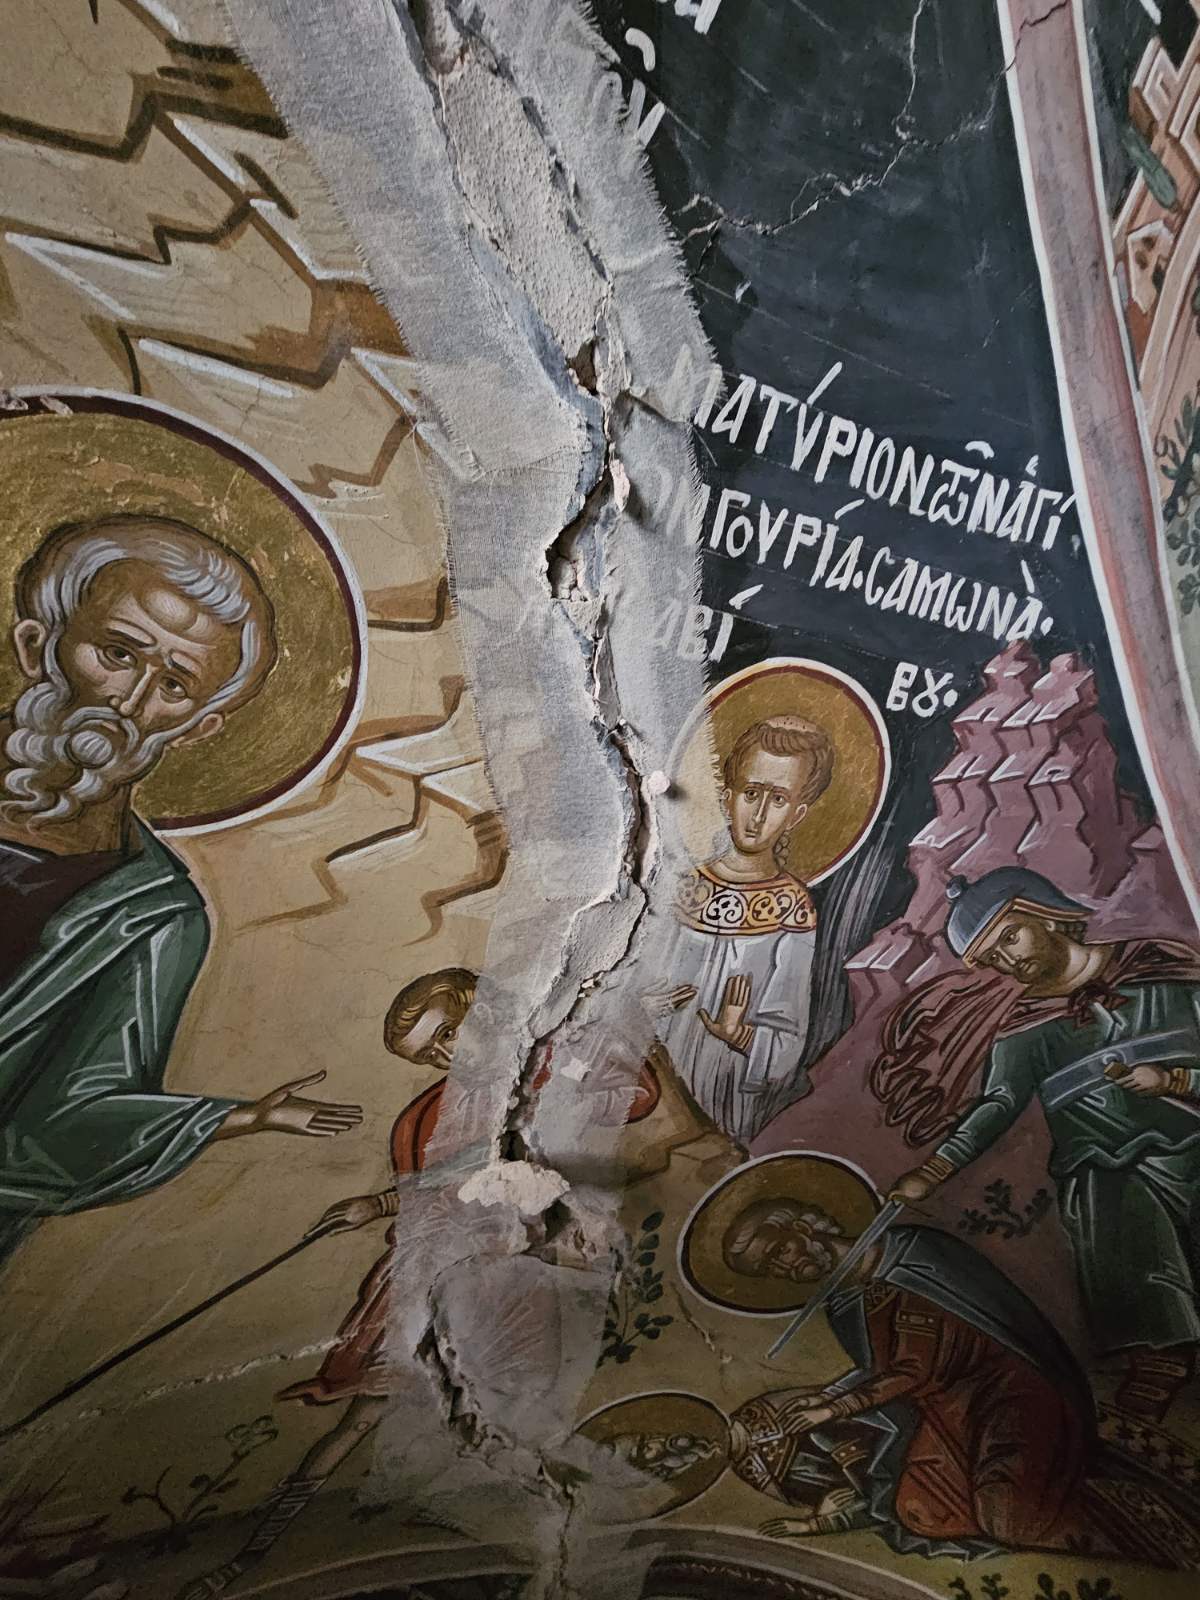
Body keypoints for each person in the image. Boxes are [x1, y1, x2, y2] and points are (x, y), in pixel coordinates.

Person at [179, 973, 665, 1599]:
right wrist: (374, 1205)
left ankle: (560, 1542)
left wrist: (571, 1061)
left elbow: (634, 1097)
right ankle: (252, 1555)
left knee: (524, 1411)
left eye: (446, 1035)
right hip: (437, 1274)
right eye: (428, 1053)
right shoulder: (423, 1116)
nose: (443, 1056)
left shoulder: (549, 1063)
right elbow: (425, 1197)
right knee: (363, 1414)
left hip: (519, 1281)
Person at [0, 516, 362, 1266]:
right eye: (116, 653)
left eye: (173, 685)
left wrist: (226, 1121)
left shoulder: (154, 916)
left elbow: (60, 1123)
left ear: (197, 728)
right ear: (37, 645)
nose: (128, 703)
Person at [890, 868, 1200, 1422]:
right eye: (993, 957)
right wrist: (933, 1171)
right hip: (1105, 1163)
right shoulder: (1023, 1029)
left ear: (1049, 914)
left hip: (1191, 1139)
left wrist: (1174, 1080)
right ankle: (1160, 1355)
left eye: (1010, 937)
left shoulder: (1157, 965)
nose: (1008, 961)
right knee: (1106, 1193)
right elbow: (996, 1105)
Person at [720, 1193, 1140, 1560]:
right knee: (920, 1508)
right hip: (948, 1412)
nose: (786, 1267)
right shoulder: (843, 1305)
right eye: (771, 1270)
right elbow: (878, 1370)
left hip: (1007, 1390)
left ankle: (1130, 1542)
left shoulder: (914, 1253)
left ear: (801, 1228)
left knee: (1007, 1515)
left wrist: (835, 1408)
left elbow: (915, 1368)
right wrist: (828, 1395)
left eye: (780, 1251)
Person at [655, 715, 833, 1144]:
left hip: (726, 1090)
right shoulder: (685, 887)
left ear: (797, 814)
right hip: (654, 1079)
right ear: (728, 796)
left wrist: (740, 1034)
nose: (759, 815)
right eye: (751, 793)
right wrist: (645, 1002)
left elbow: (788, 1040)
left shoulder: (791, 908)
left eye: (778, 799)